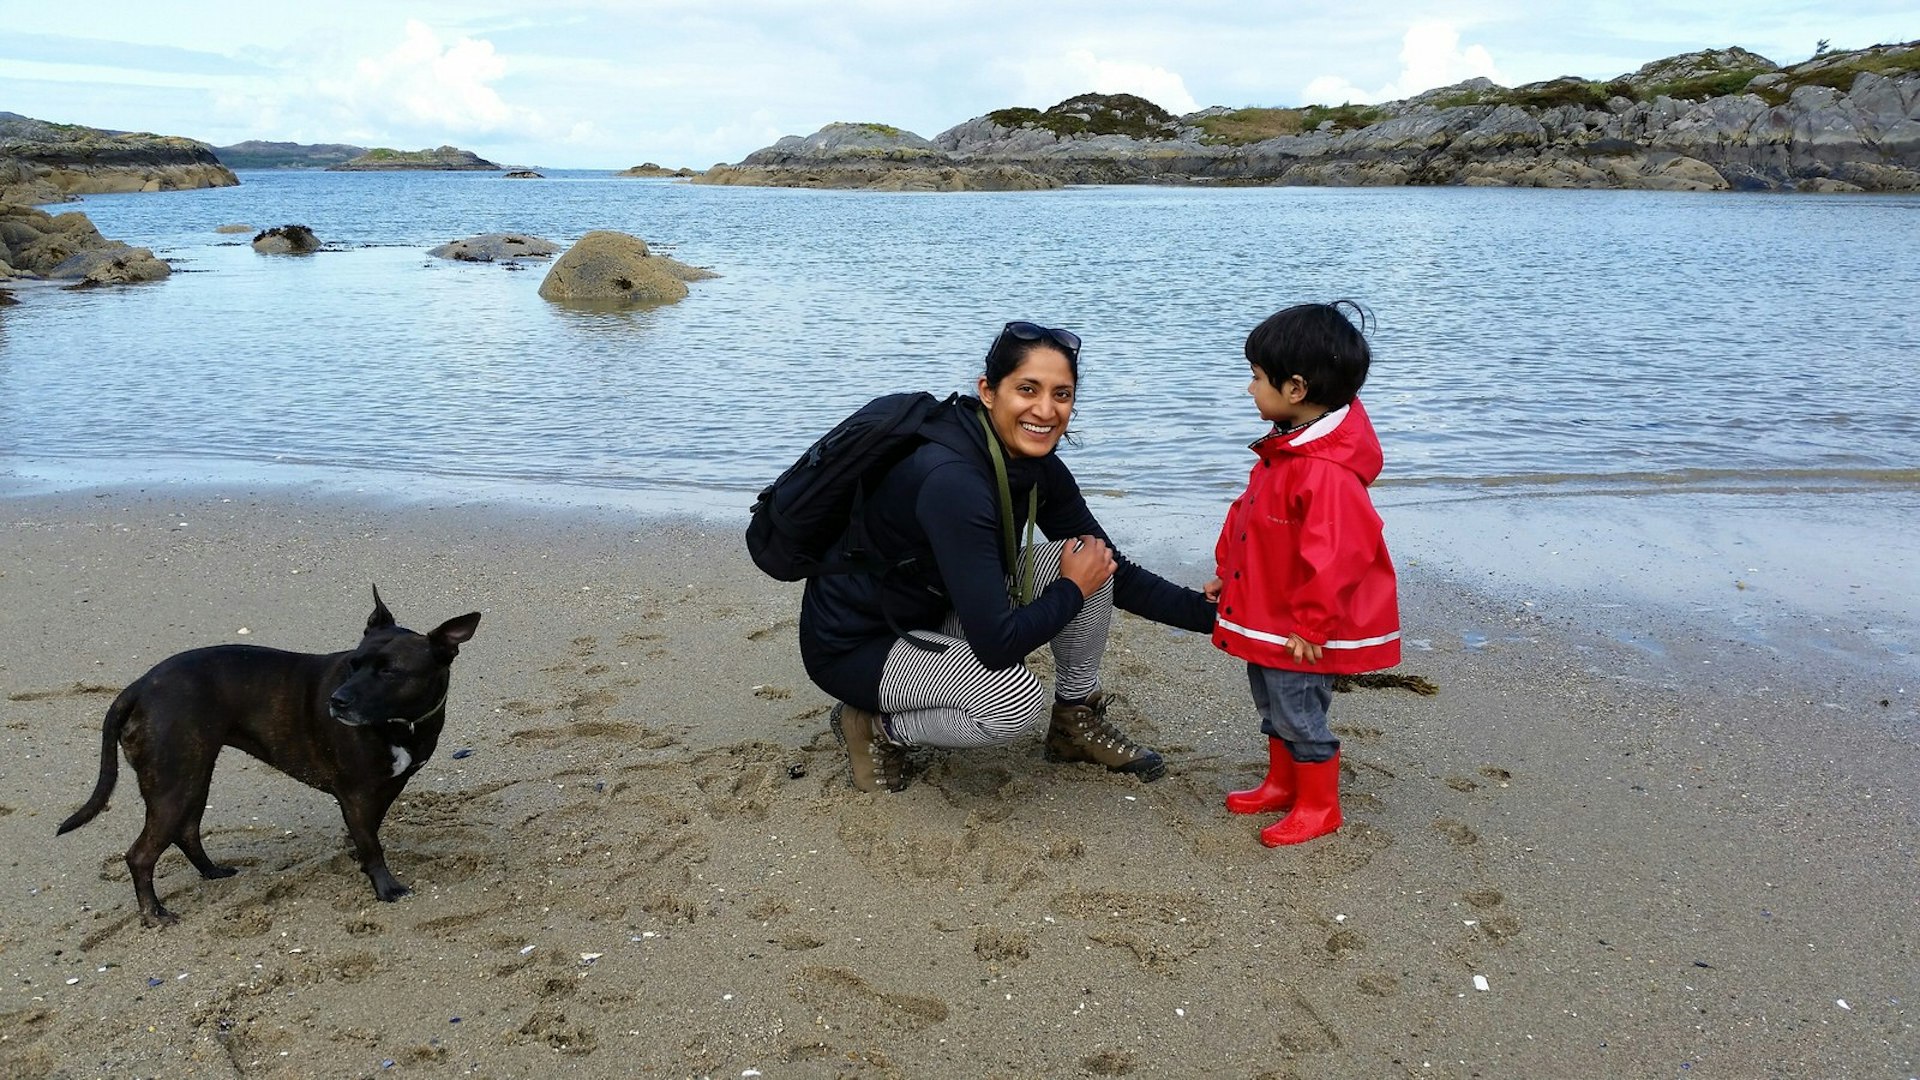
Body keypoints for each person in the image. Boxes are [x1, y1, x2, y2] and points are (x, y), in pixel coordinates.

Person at [799, 320, 1217, 792]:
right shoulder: (953, 480)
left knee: (1087, 557)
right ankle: (876, 728)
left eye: (1061, 394)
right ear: (988, 391)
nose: (1045, 409)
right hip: (857, 646)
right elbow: (998, 644)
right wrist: (1072, 588)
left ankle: (1073, 724)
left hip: (931, 613)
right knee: (1011, 700)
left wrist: (1221, 618)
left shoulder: (1035, 467)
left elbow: (1110, 567)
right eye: (1027, 389)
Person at [1203, 301, 1400, 846]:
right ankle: (1281, 781)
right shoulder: (1286, 453)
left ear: (1294, 388)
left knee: (1298, 708)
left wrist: (1313, 624)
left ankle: (1319, 803)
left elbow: (1340, 555)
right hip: (1270, 609)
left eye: (1256, 378)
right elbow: (1248, 514)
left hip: (1300, 625)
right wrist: (1228, 571)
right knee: (1270, 700)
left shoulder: (1324, 471)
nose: (1250, 390)